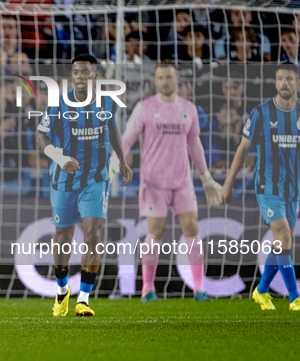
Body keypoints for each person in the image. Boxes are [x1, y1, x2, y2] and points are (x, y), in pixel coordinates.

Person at [111, 63, 222, 302]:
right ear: (155, 80)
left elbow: (195, 145)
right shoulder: (144, 108)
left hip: (182, 182)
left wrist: (207, 178)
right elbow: (127, 138)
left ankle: (199, 289)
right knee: (156, 231)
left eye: (169, 77)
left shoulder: (188, 109)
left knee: (192, 228)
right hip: (154, 183)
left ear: (177, 79)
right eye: (160, 77)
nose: (164, 82)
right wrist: (115, 161)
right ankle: (148, 289)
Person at [36, 53, 132, 317]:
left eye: (85, 72)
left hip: (96, 179)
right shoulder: (57, 104)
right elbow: (40, 136)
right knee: (63, 238)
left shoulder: (108, 103)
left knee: (93, 235)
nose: (80, 77)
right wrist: (59, 156)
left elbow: (112, 129)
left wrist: (122, 161)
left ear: (95, 75)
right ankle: (62, 289)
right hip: (63, 180)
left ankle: (84, 299)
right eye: (76, 72)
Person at [222, 63, 300, 311]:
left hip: (293, 189)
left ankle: (262, 291)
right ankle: (295, 297)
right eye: (280, 79)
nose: (284, 83)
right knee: (284, 234)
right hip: (267, 187)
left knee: (281, 242)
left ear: (297, 83)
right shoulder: (261, 112)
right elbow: (243, 148)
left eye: (289, 79)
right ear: (275, 83)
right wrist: (228, 181)